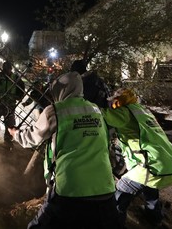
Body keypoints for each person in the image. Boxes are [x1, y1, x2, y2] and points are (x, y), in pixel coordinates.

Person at [8, 71, 121, 229]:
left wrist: (15, 134)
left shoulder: (54, 111)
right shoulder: (96, 110)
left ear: (60, 91)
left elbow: (32, 138)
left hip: (70, 188)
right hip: (104, 188)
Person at [102, 87, 172, 227]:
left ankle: (115, 223)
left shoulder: (123, 113)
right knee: (149, 186)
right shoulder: (143, 111)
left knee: (120, 194)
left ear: (119, 102)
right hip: (166, 161)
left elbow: (99, 114)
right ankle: (154, 217)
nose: (112, 105)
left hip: (150, 164)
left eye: (114, 102)